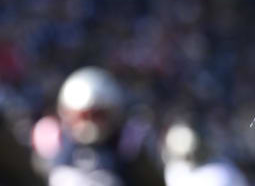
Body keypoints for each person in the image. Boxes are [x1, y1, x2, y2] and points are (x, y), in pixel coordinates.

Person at [31, 66, 165, 186]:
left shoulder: (127, 148)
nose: (88, 124)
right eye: (83, 116)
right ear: (68, 113)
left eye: (97, 115)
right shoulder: (55, 143)